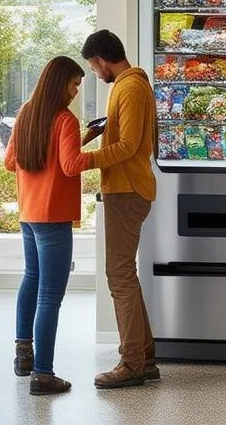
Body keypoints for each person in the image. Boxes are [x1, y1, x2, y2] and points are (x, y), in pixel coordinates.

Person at [76, 30, 158, 389]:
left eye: (93, 68)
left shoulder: (130, 87)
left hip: (127, 190)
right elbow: (123, 132)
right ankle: (145, 356)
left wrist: (84, 160)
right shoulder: (126, 87)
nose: (95, 74)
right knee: (125, 275)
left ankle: (131, 364)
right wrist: (98, 133)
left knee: (119, 275)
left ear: (100, 61)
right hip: (123, 188)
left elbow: (128, 145)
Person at [3, 56, 90, 396]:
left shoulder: (27, 113)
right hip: (53, 218)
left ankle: (24, 358)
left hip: (29, 213)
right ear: (60, 84)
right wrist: (101, 151)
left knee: (32, 280)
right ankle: (43, 373)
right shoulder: (65, 119)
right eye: (74, 85)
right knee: (50, 297)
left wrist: (80, 140)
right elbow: (70, 166)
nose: (75, 92)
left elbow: (11, 162)